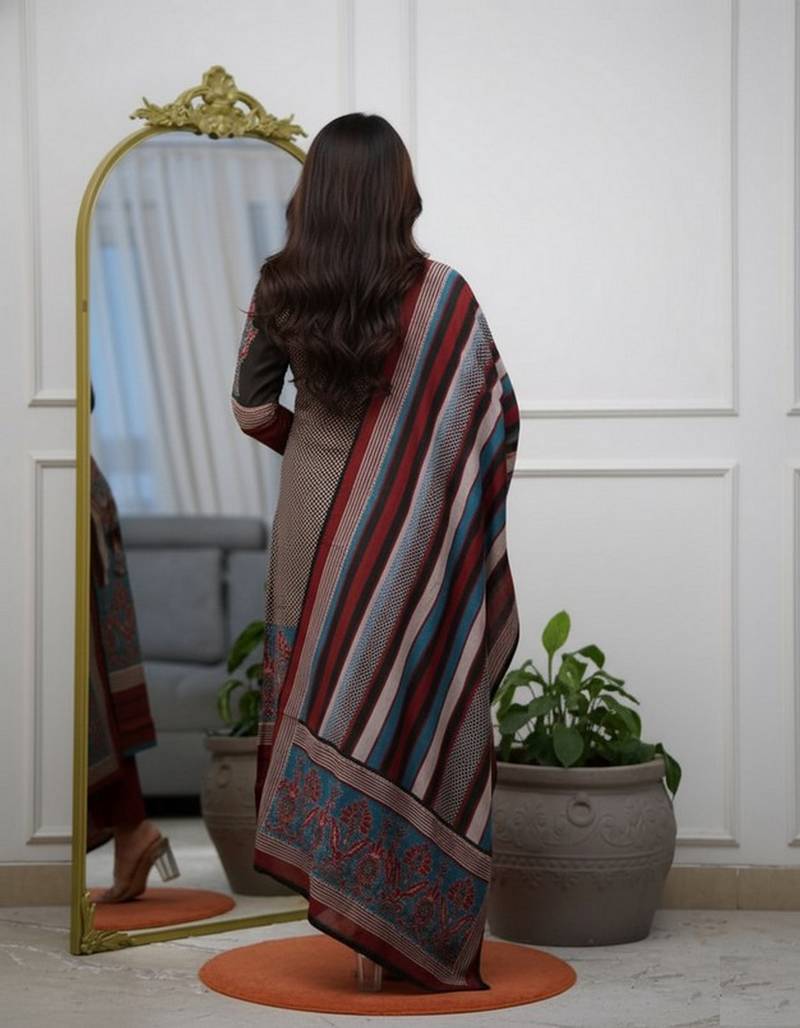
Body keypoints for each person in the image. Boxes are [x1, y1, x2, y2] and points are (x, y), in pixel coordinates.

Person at [231, 113, 520, 993]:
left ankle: (356, 918)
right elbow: (496, 414)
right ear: (399, 191)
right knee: (408, 694)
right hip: (412, 530)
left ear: (314, 192)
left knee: (329, 694)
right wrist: (404, 473)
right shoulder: (443, 295)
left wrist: (320, 451)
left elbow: (250, 408)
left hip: (310, 518)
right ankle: (412, 927)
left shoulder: (281, 286)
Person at [87, 382, 179, 901]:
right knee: (90, 680)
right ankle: (133, 831)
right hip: (70, 483)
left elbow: (82, 395)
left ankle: (134, 830)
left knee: (89, 681)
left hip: (67, 489)